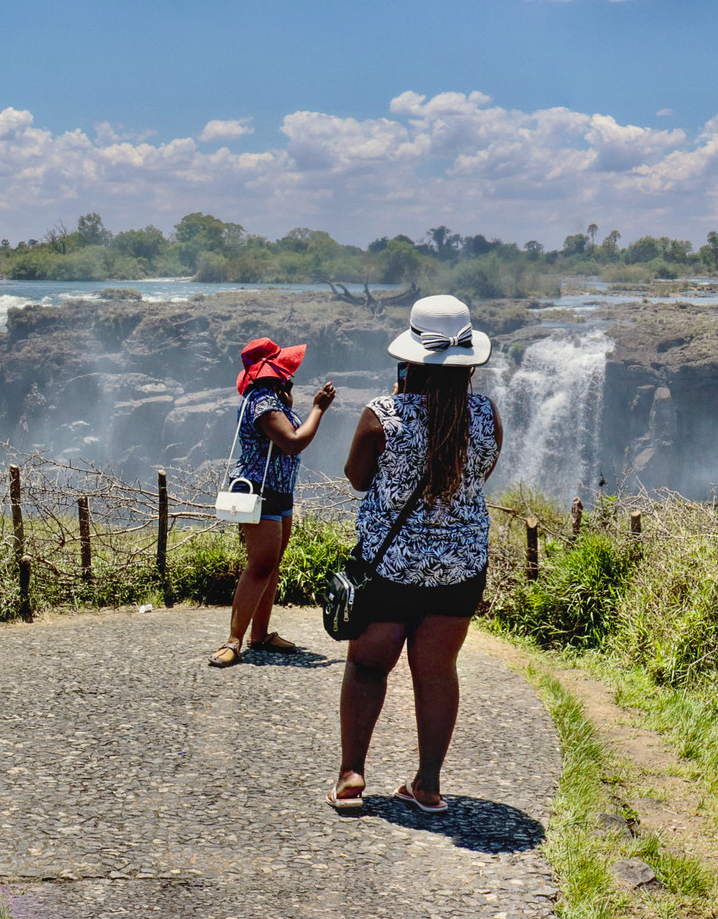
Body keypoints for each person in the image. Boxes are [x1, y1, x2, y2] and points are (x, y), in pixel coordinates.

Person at [331, 295, 501, 812]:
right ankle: (427, 785)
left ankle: (352, 776)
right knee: (436, 673)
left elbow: (358, 480)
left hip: (390, 568)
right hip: (461, 568)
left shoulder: (382, 415)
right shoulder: (485, 413)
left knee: (367, 667)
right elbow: (481, 476)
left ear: (409, 358)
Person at [210, 337, 337, 669]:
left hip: (279, 491)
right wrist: (318, 409)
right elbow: (293, 443)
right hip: (258, 490)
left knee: (272, 563)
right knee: (261, 565)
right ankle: (233, 641)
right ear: (275, 371)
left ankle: (260, 634)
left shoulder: (273, 399)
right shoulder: (263, 403)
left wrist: (291, 401)